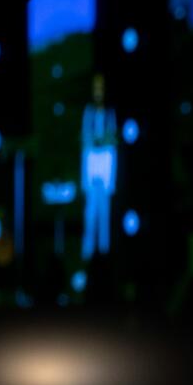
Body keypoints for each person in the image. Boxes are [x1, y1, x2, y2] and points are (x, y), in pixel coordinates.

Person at [81, 73, 117, 260]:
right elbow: (86, 142)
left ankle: (104, 258)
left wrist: (111, 179)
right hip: (92, 170)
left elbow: (112, 141)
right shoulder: (88, 112)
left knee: (104, 216)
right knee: (90, 216)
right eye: (95, 87)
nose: (98, 92)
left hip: (105, 170)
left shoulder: (110, 112)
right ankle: (87, 257)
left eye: (101, 87)